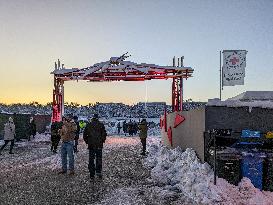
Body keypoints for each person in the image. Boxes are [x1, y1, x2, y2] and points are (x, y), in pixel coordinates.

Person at [83, 114, 107, 179]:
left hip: (91, 145)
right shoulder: (101, 125)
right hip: (99, 145)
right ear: (97, 118)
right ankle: (98, 172)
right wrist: (102, 141)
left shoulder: (88, 125)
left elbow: (84, 135)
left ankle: (92, 174)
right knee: (99, 159)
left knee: (91, 160)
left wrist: (88, 142)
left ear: (92, 118)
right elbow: (104, 134)